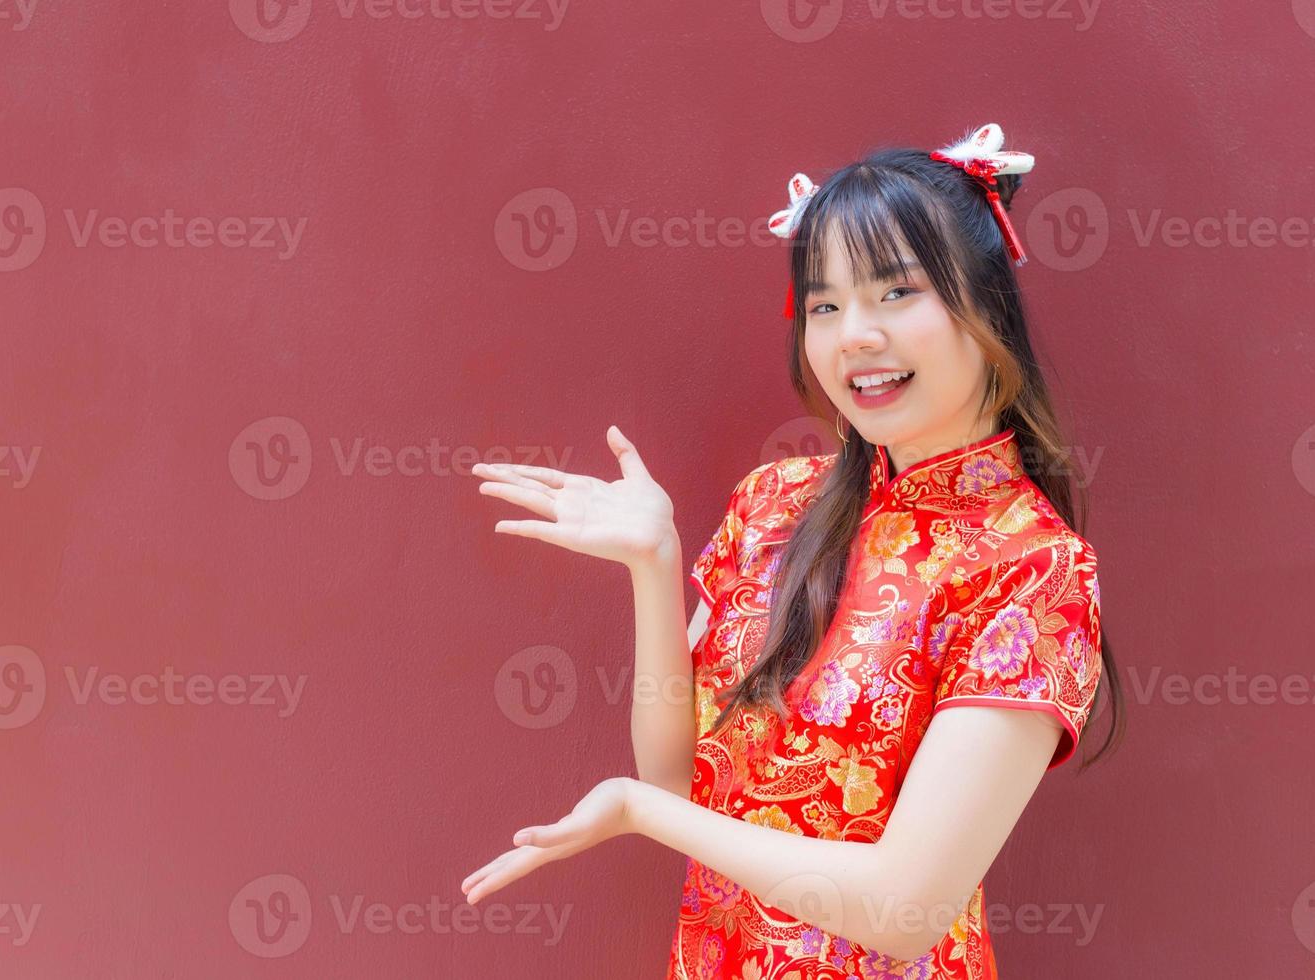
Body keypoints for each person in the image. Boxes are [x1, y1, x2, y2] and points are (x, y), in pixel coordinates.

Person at [461, 122, 1125, 979]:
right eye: (824, 303)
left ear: (986, 305)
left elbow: (906, 907)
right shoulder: (776, 501)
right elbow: (674, 777)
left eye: (896, 292)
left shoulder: (1034, 569)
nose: (853, 334)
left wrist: (635, 812)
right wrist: (654, 566)